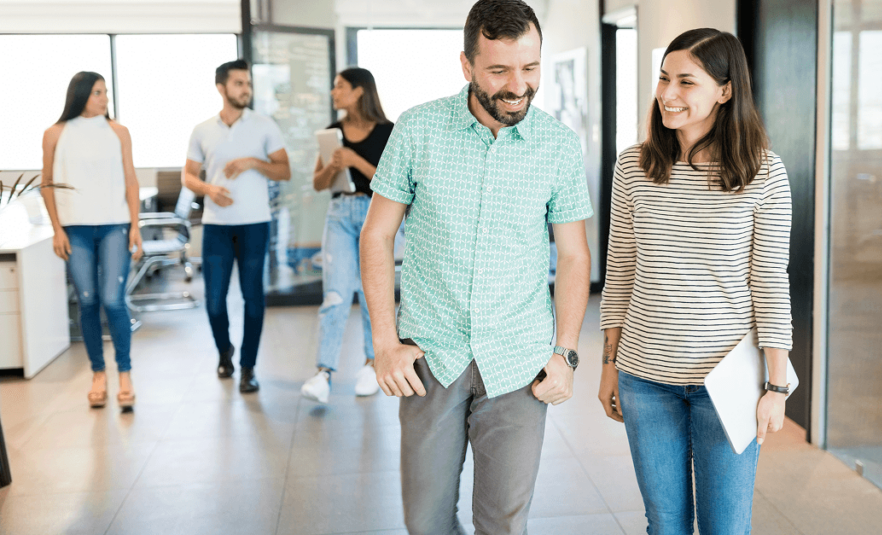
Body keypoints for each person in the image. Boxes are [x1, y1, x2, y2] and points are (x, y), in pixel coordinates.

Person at [360, 0, 593, 532]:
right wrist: (383, 341)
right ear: (466, 66)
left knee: (504, 523)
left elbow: (575, 254)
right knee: (426, 520)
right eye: (499, 70)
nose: (518, 85)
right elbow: (377, 233)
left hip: (518, 361)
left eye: (530, 68)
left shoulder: (556, 146)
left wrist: (567, 353)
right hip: (430, 356)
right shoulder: (418, 129)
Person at [598, 28, 793, 535]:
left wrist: (776, 384)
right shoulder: (634, 166)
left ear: (725, 91)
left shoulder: (763, 173)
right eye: (664, 79)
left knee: (725, 527)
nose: (668, 94)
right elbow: (619, 269)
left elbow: (770, 281)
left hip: (727, 380)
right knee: (665, 525)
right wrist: (608, 364)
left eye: (687, 81)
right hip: (645, 377)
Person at [181, 59, 291, 393]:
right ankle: (224, 351)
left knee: (253, 299)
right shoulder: (202, 130)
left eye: (248, 84)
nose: (246, 89)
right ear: (222, 87)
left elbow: (284, 170)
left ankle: (248, 367)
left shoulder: (264, 125)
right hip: (216, 226)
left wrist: (253, 163)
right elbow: (188, 176)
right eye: (239, 83)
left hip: (255, 225)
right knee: (214, 301)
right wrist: (209, 189)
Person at [40, 71, 144, 409]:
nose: (104, 98)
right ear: (81, 95)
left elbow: (130, 180)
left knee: (113, 300)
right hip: (76, 230)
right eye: (98, 92)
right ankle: (98, 372)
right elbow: (48, 183)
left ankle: (124, 373)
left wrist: (135, 226)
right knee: (87, 300)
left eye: (106, 92)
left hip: (115, 225)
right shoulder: (56, 134)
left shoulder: (119, 132)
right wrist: (57, 229)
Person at [300, 67, 394, 403]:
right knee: (336, 294)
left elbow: (392, 183)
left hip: (375, 217)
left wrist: (355, 159)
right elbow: (318, 183)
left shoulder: (388, 132)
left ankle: (371, 364)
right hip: (339, 214)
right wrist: (333, 166)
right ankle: (323, 373)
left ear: (358, 91)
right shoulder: (331, 133)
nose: (333, 92)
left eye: (339, 86)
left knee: (373, 296)